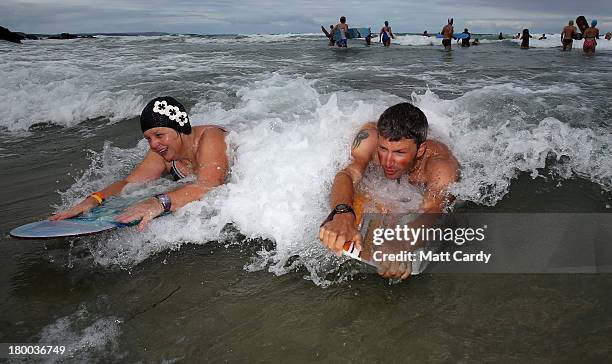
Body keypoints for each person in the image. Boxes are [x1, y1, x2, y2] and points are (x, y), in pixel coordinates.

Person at [318, 103, 459, 279]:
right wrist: (342, 213)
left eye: (399, 152)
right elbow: (348, 174)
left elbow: (435, 210)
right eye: (383, 149)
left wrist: (402, 241)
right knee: (363, 195)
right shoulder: (369, 138)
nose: (387, 162)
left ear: (420, 150)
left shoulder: (440, 166)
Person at [50, 96, 229, 231]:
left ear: (180, 128)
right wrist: (94, 200)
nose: (153, 144)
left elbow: (210, 184)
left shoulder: (211, 138)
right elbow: (130, 183)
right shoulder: (163, 152)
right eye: (148, 139)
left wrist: (158, 203)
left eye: (159, 135)